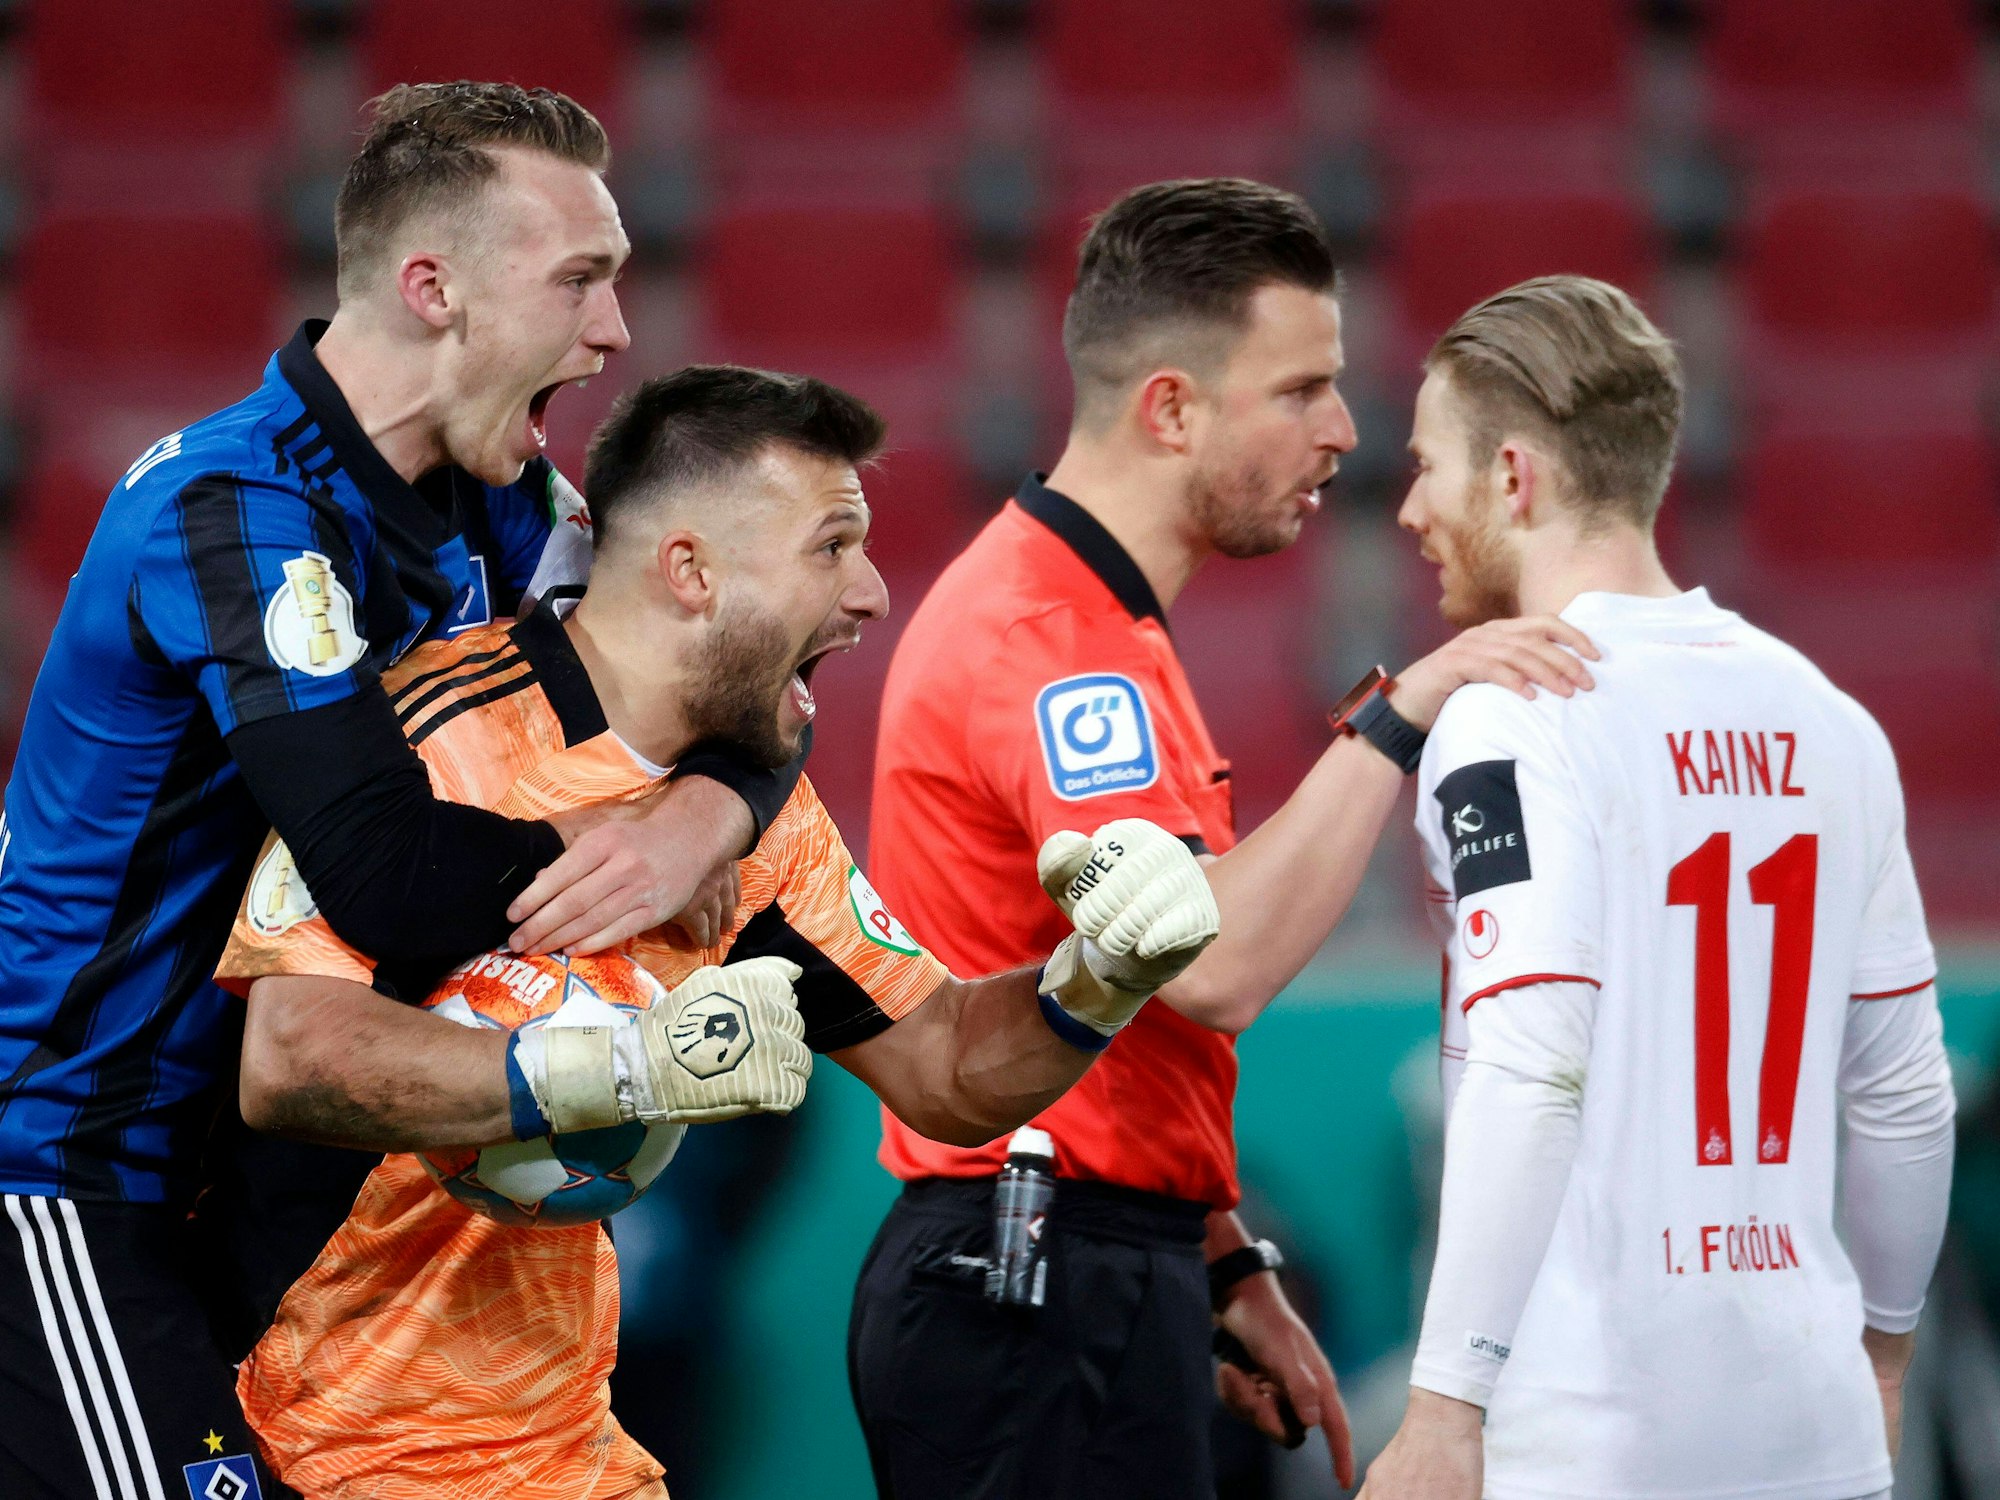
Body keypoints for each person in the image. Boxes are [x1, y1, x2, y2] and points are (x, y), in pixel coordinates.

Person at [210, 365, 1222, 1498]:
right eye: (830, 547)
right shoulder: (428, 737)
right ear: (689, 571)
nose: (873, 594)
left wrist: (1095, 978)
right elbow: (291, 1058)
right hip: (318, 1447)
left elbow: (943, 1067)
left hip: (566, 1452)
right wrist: (628, 1068)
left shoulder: (755, 818)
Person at [0, 83, 798, 1496]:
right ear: (434, 290)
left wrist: (709, 809)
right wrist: (619, 875)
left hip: (246, 1184)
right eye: (580, 281)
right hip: (67, 1171)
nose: (615, 331)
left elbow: (739, 659)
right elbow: (374, 863)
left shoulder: (504, 500)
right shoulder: (233, 513)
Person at [848, 177, 1599, 1500]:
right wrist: (1410, 708)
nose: (1345, 432)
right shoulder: (1055, 646)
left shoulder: (1093, 625)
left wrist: (1222, 1255)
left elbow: (1129, 1019)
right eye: (1302, 389)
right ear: (1173, 409)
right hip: (1030, 1285)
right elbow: (1203, 962)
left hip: (1078, 1265)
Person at [1359, 276, 1957, 1500]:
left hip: (1587, 1436)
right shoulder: (1828, 719)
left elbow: (1530, 1068)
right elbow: (1903, 1097)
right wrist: (1882, 1363)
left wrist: (1441, 1411)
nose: (1411, 508)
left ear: (1513, 479)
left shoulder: (1513, 716)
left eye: (1428, 466)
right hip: (1811, 1428)